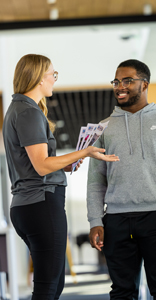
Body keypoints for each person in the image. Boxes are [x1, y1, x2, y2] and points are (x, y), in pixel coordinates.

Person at [2, 54, 119, 300]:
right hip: (41, 204)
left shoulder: (19, 109)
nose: (54, 80)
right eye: (52, 74)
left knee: (52, 285)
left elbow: (35, 164)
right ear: (37, 78)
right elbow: (42, 166)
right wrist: (85, 151)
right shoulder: (28, 112)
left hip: (29, 205)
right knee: (48, 287)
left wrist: (65, 164)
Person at [87, 59, 156, 299]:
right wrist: (95, 219)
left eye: (127, 81)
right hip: (116, 219)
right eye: (116, 81)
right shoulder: (103, 128)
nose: (119, 86)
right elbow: (95, 180)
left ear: (144, 84)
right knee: (122, 291)